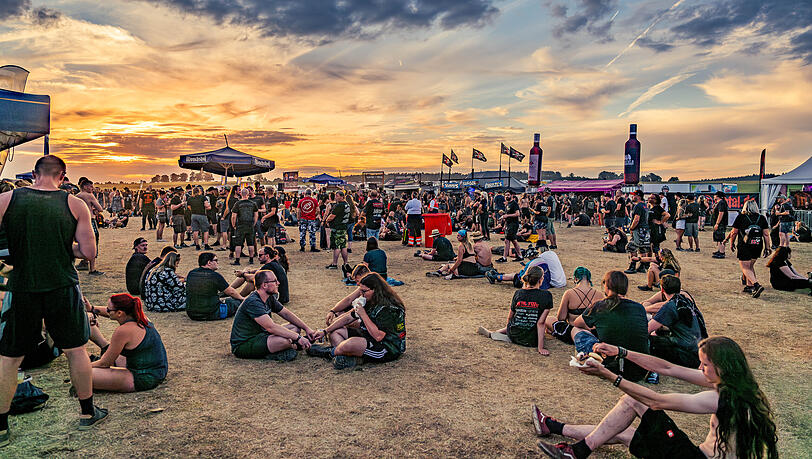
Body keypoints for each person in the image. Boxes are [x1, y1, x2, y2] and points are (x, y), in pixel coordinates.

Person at [0, 155, 106, 446]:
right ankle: (87, 413)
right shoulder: (75, 204)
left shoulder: (6, 200)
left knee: (10, 357)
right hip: (61, 284)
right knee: (76, 350)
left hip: (22, 286)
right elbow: (89, 252)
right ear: (62, 176)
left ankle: (1, 428)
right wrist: (62, 244)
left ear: (35, 174)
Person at [534, 336, 778, 459]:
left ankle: (577, 452)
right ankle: (553, 427)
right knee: (624, 432)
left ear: (722, 366)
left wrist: (609, 376)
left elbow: (656, 401)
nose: (700, 369)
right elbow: (668, 368)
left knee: (632, 400)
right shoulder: (739, 385)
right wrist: (622, 352)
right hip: (692, 453)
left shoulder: (722, 399)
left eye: (704, 364)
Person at [308, 273, 406, 369]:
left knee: (351, 343)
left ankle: (329, 352)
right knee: (335, 332)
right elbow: (348, 318)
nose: (361, 295)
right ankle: (349, 356)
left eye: (364, 291)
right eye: (360, 291)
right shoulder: (369, 301)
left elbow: (378, 336)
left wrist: (363, 315)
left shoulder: (389, 309)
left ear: (375, 290)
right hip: (368, 337)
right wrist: (325, 331)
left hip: (387, 348)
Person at [569, 271, 649, 382]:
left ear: (606, 286)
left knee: (576, 330)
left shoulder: (599, 306)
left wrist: (595, 327)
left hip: (610, 366)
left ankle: (589, 356)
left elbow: (577, 323)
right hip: (639, 370)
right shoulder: (639, 308)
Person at [87, 294, 167, 392]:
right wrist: (91, 309)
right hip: (158, 370)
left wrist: (83, 367)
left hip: (143, 377)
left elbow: (105, 363)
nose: (107, 311)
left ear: (119, 313)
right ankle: (94, 359)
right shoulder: (141, 317)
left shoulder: (123, 331)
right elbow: (109, 312)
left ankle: (88, 360)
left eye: (108, 309)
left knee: (84, 375)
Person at [230, 270, 316, 361]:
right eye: (275, 281)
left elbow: (286, 313)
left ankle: (288, 346)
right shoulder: (253, 302)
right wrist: (298, 338)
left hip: (262, 335)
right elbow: (271, 327)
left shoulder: (268, 297)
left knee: (295, 327)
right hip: (244, 344)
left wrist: (307, 328)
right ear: (264, 285)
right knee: (284, 341)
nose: (278, 283)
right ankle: (290, 347)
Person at [477, 267, 552, 355]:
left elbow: (510, 317)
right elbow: (541, 323)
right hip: (531, 340)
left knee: (518, 321)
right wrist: (540, 348)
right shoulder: (547, 296)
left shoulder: (518, 293)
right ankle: (499, 333)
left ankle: (496, 333)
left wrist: (510, 330)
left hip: (514, 333)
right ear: (541, 279)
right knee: (533, 323)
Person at [647, 275, 706, 369]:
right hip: (699, 352)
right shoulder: (685, 301)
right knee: (660, 333)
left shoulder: (671, 306)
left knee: (647, 341)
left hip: (687, 354)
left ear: (662, 289)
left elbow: (647, 329)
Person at [545, 267, 602, 345]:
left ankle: (554, 332)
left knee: (548, 319)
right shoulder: (599, 294)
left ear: (575, 278)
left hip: (573, 333)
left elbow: (561, 318)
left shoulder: (569, 293)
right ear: (589, 279)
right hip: (594, 333)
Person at [730, 199, 771, 298]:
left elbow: (734, 232)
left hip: (744, 245)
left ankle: (756, 285)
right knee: (750, 266)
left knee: (745, 267)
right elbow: (766, 234)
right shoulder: (761, 218)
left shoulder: (741, 217)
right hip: (757, 245)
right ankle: (750, 285)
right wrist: (767, 248)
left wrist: (731, 243)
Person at [185, 252, 244, 320]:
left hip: (192, 314)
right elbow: (231, 292)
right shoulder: (215, 276)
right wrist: (242, 299)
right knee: (235, 302)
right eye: (215, 260)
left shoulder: (191, 273)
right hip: (211, 313)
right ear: (209, 262)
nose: (217, 262)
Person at [487, 246, 566, 290]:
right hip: (545, 284)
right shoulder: (543, 260)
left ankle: (496, 276)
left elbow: (522, 276)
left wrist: (522, 271)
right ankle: (498, 275)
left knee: (515, 276)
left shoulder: (531, 263)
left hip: (534, 284)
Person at [75, 177, 105, 275]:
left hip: (79, 221)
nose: (92, 188)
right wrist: (94, 209)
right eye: (91, 186)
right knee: (93, 243)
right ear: (85, 187)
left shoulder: (77, 196)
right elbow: (100, 209)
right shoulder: (89, 195)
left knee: (83, 242)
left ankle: (84, 262)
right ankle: (92, 269)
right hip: (90, 221)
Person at [624, 191, 651, 274]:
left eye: (634, 195)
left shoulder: (638, 206)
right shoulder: (645, 205)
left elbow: (636, 219)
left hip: (638, 230)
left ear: (638, 196)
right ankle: (642, 266)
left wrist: (631, 228)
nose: (632, 197)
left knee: (631, 247)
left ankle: (632, 266)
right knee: (643, 249)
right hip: (645, 230)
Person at [231, 188, 258, 265]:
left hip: (240, 225)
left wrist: (233, 224)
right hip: (250, 225)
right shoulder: (253, 203)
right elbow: (256, 215)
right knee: (250, 243)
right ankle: (251, 259)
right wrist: (254, 223)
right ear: (248, 194)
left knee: (238, 243)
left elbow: (233, 216)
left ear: (241, 194)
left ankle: (237, 260)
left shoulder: (237, 204)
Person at [496, 191, 523, 262]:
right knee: (513, 241)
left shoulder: (514, 204)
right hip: (509, 224)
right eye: (506, 195)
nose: (507, 196)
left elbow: (517, 214)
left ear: (512, 195)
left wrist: (507, 215)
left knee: (507, 240)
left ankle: (504, 258)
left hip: (513, 224)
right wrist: (505, 224)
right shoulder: (508, 204)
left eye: (508, 195)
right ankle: (520, 256)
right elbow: (507, 215)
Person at [711, 191, 729, 259]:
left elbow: (721, 213)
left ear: (718, 196)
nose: (714, 196)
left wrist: (717, 223)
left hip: (721, 223)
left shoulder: (721, 203)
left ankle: (722, 252)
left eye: (715, 195)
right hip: (718, 223)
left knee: (721, 237)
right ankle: (719, 250)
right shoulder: (719, 203)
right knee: (718, 237)